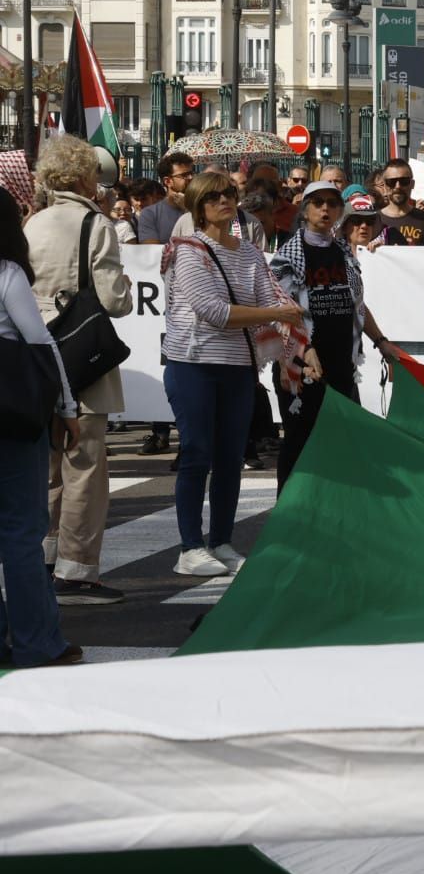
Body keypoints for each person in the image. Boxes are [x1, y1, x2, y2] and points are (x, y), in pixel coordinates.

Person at [163, 172, 304, 577]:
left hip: (239, 367)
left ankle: (221, 542)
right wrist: (276, 313)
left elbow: (268, 297)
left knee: (230, 458)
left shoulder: (249, 253)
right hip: (193, 364)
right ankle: (190, 547)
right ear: (198, 206)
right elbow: (214, 312)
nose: (224, 200)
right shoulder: (189, 251)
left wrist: (297, 344)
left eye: (229, 193)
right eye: (213, 196)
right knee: (196, 454)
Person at [24, 136, 135, 605]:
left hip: (36, 353)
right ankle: (78, 570)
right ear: (85, 178)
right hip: (80, 353)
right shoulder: (96, 224)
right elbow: (115, 299)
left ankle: (46, 555)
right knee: (85, 463)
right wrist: (126, 285)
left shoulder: (32, 223)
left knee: (48, 463)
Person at [270, 183, 399, 491]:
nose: (325, 208)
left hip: (340, 365)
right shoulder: (287, 256)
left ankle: (330, 512)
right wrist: (305, 348)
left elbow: (357, 306)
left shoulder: (344, 253)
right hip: (301, 366)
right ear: (305, 210)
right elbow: (280, 311)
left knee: (340, 444)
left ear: (341, 211)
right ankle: (288, 510)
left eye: (332, 203)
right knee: (299, 443)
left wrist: (381, 342)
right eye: (317, 203)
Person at [0, 186, 81, 666]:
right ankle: (37, 642)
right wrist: (67, 405)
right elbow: (41, 342)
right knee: (21, 531)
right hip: (11, 413)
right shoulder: (7, 273)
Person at [375, 157, 424, 246]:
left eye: (404, 181)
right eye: (391, 182)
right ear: (384, 186)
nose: (398, 186)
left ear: (412, 184)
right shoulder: (372, 221)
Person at [136, 152, 194, 246]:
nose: (191, 178)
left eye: (191, 173)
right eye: (184, 175)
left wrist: (188, 210)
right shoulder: (150, 214)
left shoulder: (202, 207)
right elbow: (152, 250)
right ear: (167, 181)